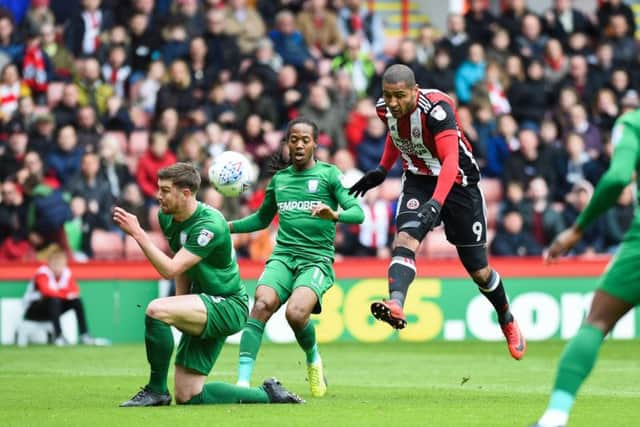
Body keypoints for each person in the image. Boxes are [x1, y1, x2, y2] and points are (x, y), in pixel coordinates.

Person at [348, 64, 526, 360]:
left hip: (459, 184)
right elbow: (398, 135)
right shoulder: (385, 109)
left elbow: (451, 162)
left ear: (414, 91)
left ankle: (506, 316)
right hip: (418, 180)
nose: (392, 102)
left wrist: (437, 202)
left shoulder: (438, 110)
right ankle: (396, 304)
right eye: (388, 96)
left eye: (399, 96)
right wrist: (382, 168)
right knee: (405, 240)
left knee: (479, 271)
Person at [112, 162, 303, 407]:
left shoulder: (209, 225)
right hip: (203, 302)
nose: (158, 196)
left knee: (155, 310)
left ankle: (156, 390)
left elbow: (169, 269)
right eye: (159, 189)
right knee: (188, 395)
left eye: (165, 190)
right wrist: (179, 302)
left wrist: (138, 233)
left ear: (186, 193)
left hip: (227, 305)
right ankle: (268, 394)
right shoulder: (167, 216)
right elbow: (182, 266)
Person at [229, 117, 364, 396]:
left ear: (315, 143)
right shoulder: (279, 180)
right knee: (262, 303)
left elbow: (358, 213)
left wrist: (335, 214)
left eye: (305, 140)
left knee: (296, 313)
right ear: (287, 144)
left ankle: (313, 358)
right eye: (294, 140)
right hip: (284, 256)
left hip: (316, 260)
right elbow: (261, 219)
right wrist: (227, 226)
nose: (299, 145)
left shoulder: (329, 175)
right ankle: (242, 382)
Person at [532, 108, 640, 427]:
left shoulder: (632, 123)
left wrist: (577, 229)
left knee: (597, 321)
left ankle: (554, 417)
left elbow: (618, 177)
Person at [22, 247, 102, 345]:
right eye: (55, 262)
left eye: (60, 262)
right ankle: (59, 337)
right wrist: (64, 293)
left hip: (54, 309)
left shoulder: (66, 273)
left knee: (77, 301)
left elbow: (75, 291)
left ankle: (85, 335)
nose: (57, 266)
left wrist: (61, 293)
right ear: (49, 262)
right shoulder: (42, 272)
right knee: (54, 300)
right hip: (33, 311)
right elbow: (47, 292)